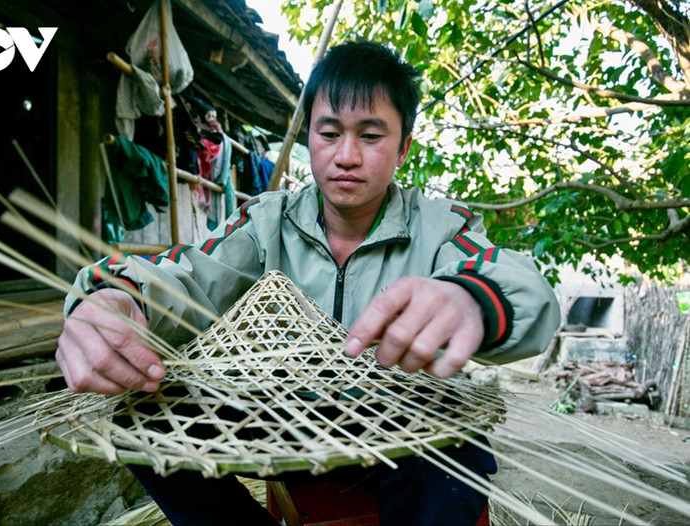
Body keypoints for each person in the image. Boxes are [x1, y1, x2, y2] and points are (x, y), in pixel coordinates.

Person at [56, 40, 561, 526]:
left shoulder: (441, 227)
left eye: (370, 135)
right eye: (328, 133)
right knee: (142, 420)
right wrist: (117, 294)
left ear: (404, 147)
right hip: (283, 420)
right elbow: (187, 275)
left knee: (456, 454)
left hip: (402, 425)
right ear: (307, 140)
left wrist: (472, 300)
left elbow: (517, 283)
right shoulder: (264, 222)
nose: (346, 155)